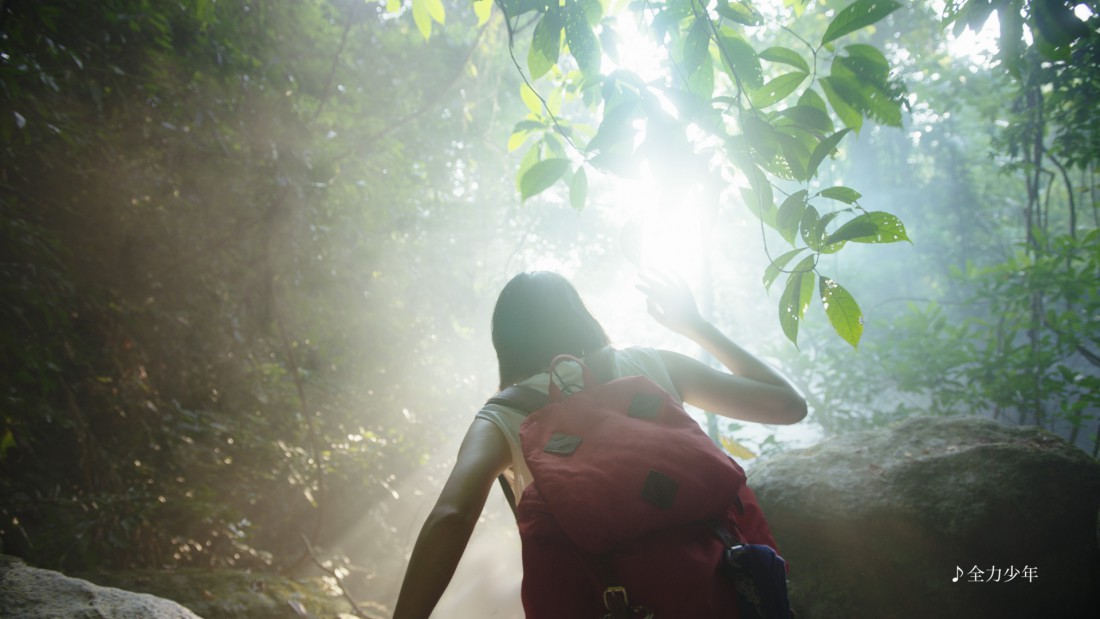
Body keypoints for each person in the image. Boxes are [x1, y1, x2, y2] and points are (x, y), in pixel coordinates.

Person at [392, 271, 806, 619]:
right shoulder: (649, 365)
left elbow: (452, 515)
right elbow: (787, 406)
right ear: (582, 316)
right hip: (721, 590)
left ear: (505, 344)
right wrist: (693, 324)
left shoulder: (502, 417)